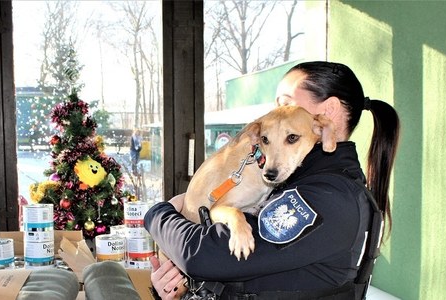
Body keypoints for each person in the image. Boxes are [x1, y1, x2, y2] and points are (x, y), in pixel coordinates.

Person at [144, 61, 400, 299]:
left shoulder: (326, 196)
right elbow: (240, 271)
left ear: (329, 111)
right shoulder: (297, 180)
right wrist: (177, 284)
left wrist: (159, 214)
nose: (275, 114)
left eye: (285, 103)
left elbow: (200, 255)